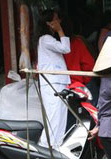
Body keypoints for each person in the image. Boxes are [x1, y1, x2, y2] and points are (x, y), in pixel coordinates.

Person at [35, 10, 71, 148]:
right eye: (56, 19)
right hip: (52, 83)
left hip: (58, 82)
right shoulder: (45, 39)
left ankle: (55, 148)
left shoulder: (46, 39)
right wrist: (60, 30)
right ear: (49, 23)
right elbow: (66, 48)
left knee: (60, 118)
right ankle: (46, 148)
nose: (59, 21)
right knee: (54, 118)